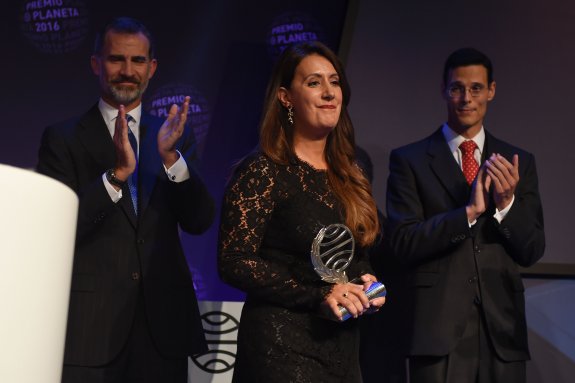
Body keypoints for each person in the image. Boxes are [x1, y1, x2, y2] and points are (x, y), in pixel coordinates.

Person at [37, 17, 215, 383]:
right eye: (116, 59)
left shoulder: (174, 137)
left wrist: (171, 159)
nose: (127, 71)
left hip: (161, 330)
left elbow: (199, 220)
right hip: (90, 330)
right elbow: (56, 230)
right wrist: (116, 175)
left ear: (152, 68)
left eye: (137, 61)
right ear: (96, 64)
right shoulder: (62, 138)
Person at [217, 41, 385, 383]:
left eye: (334, 82)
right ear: (285, 97)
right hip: (279, 347)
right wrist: (318, 295)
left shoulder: (352, 171)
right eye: (314, 83)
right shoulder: (263, 171)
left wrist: (365, 283)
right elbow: (234, 260)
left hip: (341, 349)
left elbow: (354, 255)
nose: (329, 93)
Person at [385, 47, 545, 382]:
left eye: (475, 88)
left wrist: (506, 205)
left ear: (491, 91)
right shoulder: (409, 160)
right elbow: (402, 242)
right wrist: (468, 213)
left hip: (502, 331)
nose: (466, 98)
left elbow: (531, 250)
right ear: (444, 90)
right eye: (457, 88)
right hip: (436, 332)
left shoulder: (518, 161)